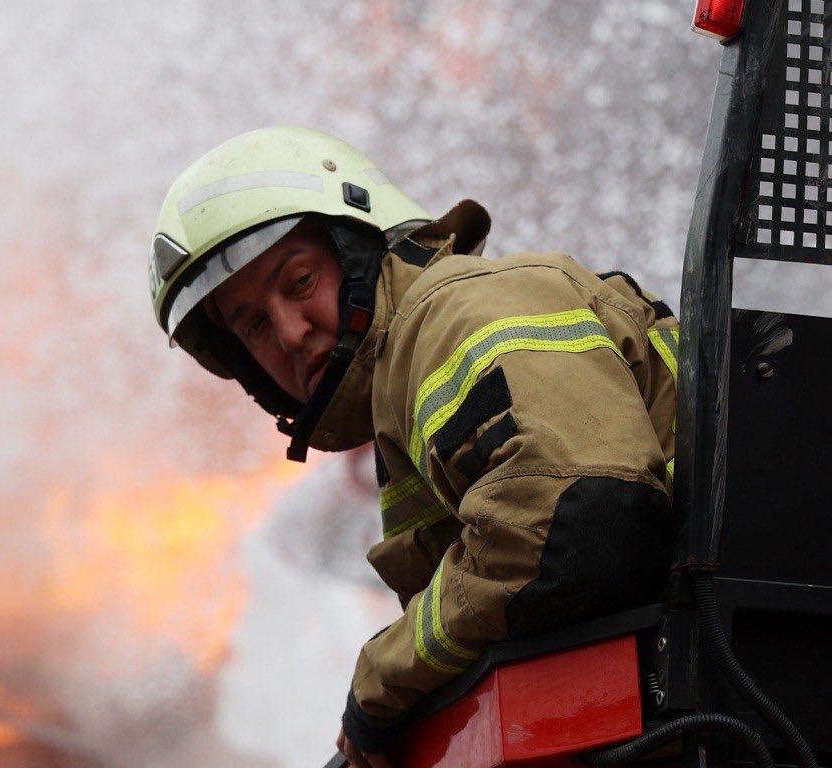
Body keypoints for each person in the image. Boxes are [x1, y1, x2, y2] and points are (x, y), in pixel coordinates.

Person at [148, 127, 676, 767]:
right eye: (254, 326)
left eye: (300, 281)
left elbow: (578, 528)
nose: (288, 333)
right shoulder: (399, 392)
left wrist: (386, 674)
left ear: (357, 245)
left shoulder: (456, 313)